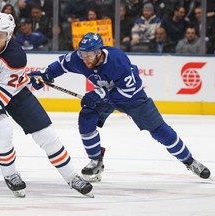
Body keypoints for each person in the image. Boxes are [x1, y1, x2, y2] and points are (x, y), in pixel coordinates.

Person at [0, 12, 93, 198]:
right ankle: (10, 175)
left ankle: (72, 177)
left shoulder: (16, 57)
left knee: (47, 135)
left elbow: (0, 97)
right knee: (2, 129)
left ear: (10, 35)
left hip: (14, 91)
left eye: (1, 35)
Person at [28, 32, 211, 182]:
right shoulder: (80, 57)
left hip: (133, 99)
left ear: (99, 52)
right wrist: (46, 75)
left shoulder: (117, 60)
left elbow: (130, 91)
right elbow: (62, 64)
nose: (85, 59)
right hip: (107, 96)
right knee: (86, 118)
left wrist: (100, 95)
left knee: (160, 132)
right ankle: (95, 161)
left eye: (89, 55)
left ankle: (190, 161)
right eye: (83, 55)